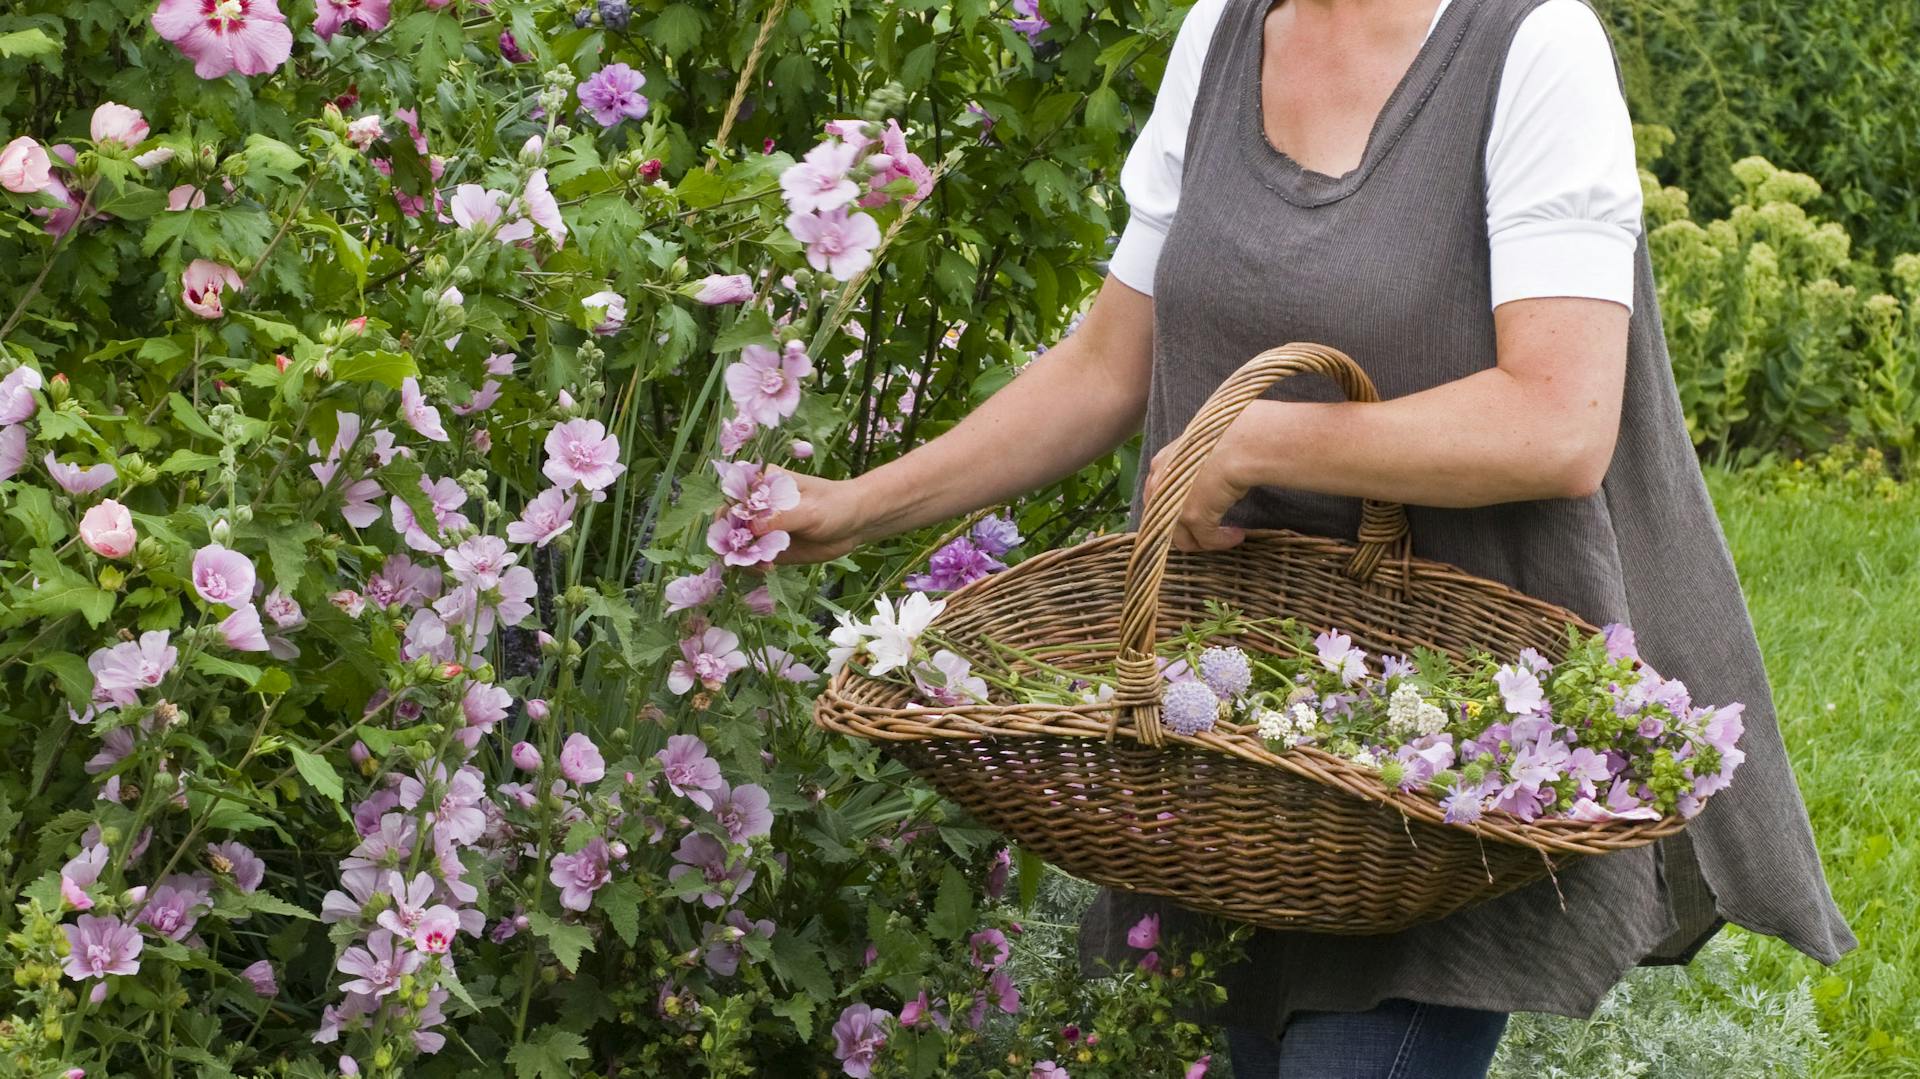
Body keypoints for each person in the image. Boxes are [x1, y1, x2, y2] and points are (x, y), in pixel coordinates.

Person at [767, 0, 1855, 1074]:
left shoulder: (1529, 45)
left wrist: (1261, 440)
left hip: (1443, 755)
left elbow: (1558, 421)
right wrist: (855, 506)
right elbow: (1107, 364)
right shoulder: (1223, 33)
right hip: (1229, 744)